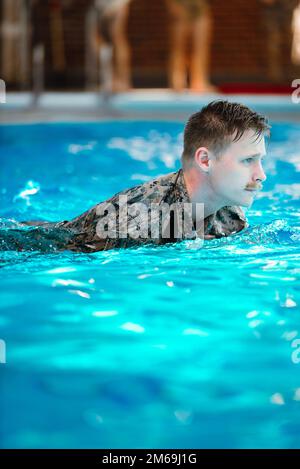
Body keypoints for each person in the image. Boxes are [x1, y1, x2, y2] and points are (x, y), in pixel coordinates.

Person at [4, 101, 270, 253]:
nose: (261, 175)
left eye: (259, 160)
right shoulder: (139, 222)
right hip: (34, 241)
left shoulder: (230, 210)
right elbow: (60, 261)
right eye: (248, 161)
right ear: (205, 160)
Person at [166, 0, 215, 92]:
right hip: (180, 6)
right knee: (178, 48)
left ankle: (199, 81)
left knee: (201, 48)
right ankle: (177, 81)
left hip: (200, 7)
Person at [94, 0, 132, 92]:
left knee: (117, 37)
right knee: (102, 41)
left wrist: (118, 4)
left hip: (117, 3)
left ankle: (123, 80)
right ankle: (108, 79)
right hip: (101, 5)